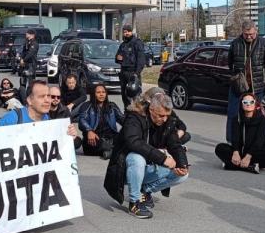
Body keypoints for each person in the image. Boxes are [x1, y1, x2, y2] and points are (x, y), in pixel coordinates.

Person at [103, 90, 188, 219]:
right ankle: (135, 203)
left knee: (182, 175)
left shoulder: (168, 120)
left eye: (166, 115)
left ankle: (145, 191)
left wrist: (183, 164)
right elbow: (133, 142)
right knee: (136, 158)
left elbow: (175, 144)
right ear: (151, 109)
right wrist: (163, 158)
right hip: (124, 170)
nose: (164, 119)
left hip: (151, 164)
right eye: (160, 115)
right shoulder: (135, 117)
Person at [227, 20, 265, 142]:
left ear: (256, 31)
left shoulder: (264, 44)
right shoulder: (235, 44)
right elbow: (230, 64)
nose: (249, 37)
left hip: (257, 86)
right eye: (246, 34)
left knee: (257, 115)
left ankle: (256, 142)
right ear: (242, 32)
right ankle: (231, 142)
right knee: (233, 114)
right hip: (238, 87)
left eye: (251, 34)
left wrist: (264, 79)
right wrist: (237, 77)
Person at [215, 92, 265, 174]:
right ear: (241, 105)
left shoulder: (262, 120)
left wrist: (248, 156)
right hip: (240, 152)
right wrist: (235, 152)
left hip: (254, 152)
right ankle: (250, 167)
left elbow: (259, 140)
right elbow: (234, 138)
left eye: (251, 102)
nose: (248, 104)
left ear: (255, 104)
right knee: (220, 148)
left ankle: (231, 165)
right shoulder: (237, 119)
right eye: (245, 102)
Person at [79, 83, 123, 158]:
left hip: (110, 138)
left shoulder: (112, 106)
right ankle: (116, 152)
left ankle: (110, 152)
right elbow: (82, 120)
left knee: (126, 138)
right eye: (98, 92)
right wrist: (89, 130)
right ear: (93, 94)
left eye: (103, 92)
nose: (101, 94)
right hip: (94, 139)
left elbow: (122, 119)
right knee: (101, 144)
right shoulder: (86, 106)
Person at [115, 24, 147, 107]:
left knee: (135, 95)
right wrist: (118, 58)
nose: (126, 33)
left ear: (131, 32)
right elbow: (117, 58)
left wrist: (136, 73)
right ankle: (127, 114)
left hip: (133, 72)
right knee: (124, 96)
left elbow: (141, 60)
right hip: (123, 72)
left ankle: (137, 115)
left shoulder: (137, 43)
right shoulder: (123, 45)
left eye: (128, 32)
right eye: (125, 32)